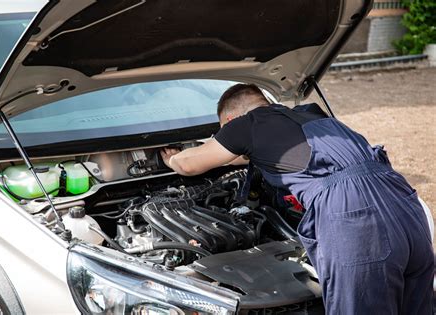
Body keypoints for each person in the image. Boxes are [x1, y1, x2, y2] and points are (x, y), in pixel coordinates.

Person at [160, 83, 433, 314]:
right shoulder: (312, 116)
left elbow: (189, 165)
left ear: (230, 121)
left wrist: (172, 158)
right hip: (404, 204)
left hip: (356, 217)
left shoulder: (246, 124)